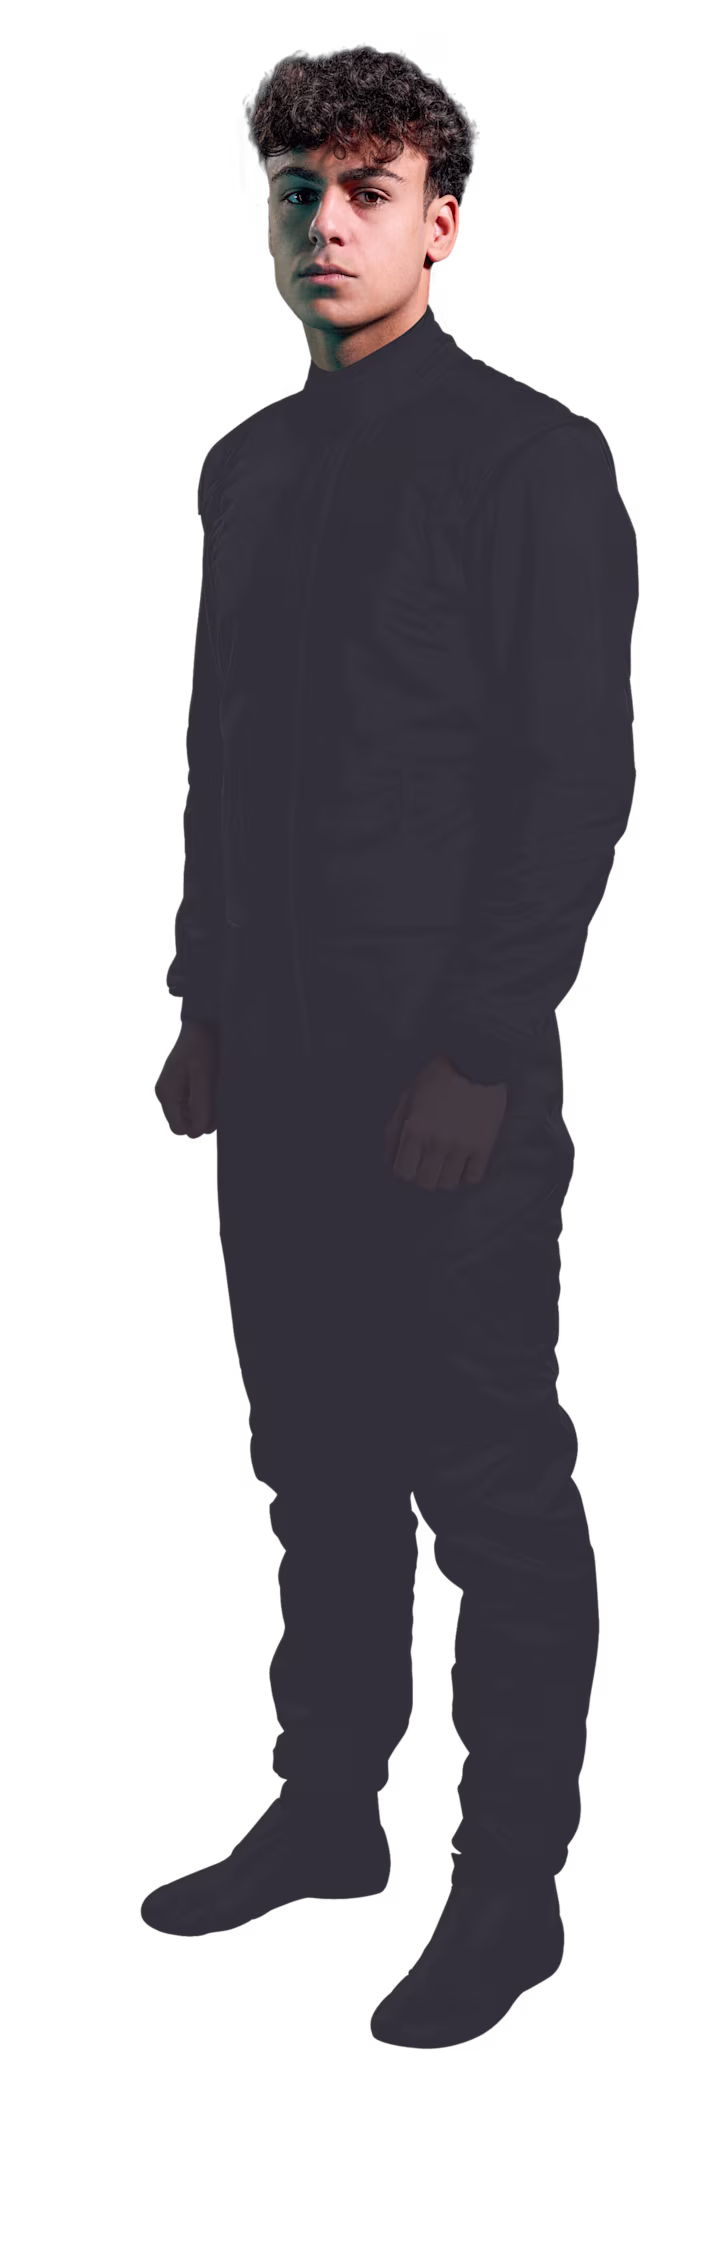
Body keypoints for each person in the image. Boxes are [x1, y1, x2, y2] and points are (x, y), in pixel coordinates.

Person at [143, 44, 639, 2050]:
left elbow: (572, 777)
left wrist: (485, 1048)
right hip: (272, 1070)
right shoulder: (246, 471)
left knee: (487, 1483)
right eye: (297, 193)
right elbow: (219, 765)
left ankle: (508, 1890)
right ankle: (328, 1816)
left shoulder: (531, 459)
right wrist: (198, 1004)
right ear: (263, 221)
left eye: (367, 190)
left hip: (445, 1079)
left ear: (442, 219)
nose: (327, 225)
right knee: (314, 1464)